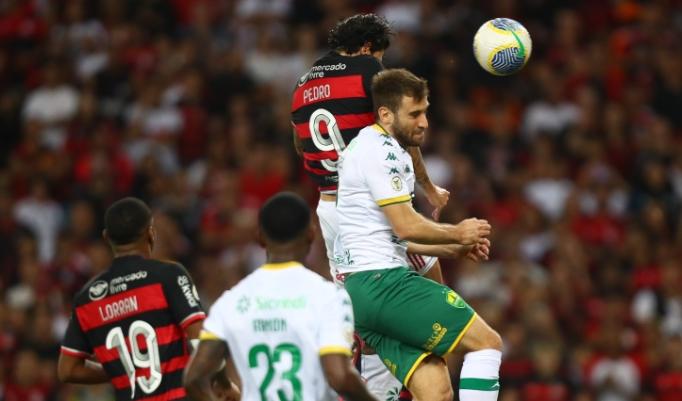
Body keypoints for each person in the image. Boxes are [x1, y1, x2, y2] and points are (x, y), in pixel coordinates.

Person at [291, 14, 461, 400]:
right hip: (371, 207)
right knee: (434, 302)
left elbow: (300, 145)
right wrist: (429, 188)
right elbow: (401, 132)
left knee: (363, 314)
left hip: (330, 210)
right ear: (368, 48)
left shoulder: (302, 84)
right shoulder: (367, 69)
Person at [336, 68, 503, 401]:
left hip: (362, 291)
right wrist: (457, 232)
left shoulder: (376, 147)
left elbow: (389, 237)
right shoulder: (379, 152)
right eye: (414, 113)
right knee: (487, 344)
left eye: (425, 111)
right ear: (385, 114)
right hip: (384, 284)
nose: (424, 122)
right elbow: (405, 226)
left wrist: (452, 247)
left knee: (436, 391)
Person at [183, 192, 379, 401]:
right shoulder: (328, 297)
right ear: (311, 234)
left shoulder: (232, 301)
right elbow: (339, 377)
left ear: (259, 237)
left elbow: (194, 378)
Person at [57, 197, 221, 401]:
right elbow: (201, 339)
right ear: (150, 233)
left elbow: (67, 370)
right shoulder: (168, 275)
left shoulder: (87, 299)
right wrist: (222, 383)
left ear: (107, 237)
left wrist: (123, 369)